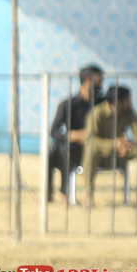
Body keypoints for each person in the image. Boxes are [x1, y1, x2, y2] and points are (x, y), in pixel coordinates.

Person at [81, 85, 137, 206]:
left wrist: (128, 144)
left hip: (121, 153)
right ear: (118, 101)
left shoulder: (129, 112)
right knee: (90, 151)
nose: (130, 102)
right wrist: (113, 144)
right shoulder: (97, 113)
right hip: (101, 155)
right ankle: (88, 197)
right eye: (128, 99)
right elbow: (90, 140)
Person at [47, 64, 104, 202]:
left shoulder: (102, 104)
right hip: (73, 147)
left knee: (65, 150)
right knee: (54, 150)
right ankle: (50, 192)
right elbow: (54, 132)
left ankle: (65, 193)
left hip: (96, 146)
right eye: (99, 79)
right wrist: (72, 135)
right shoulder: (68, 105)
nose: (102, 82)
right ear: (88, 79)